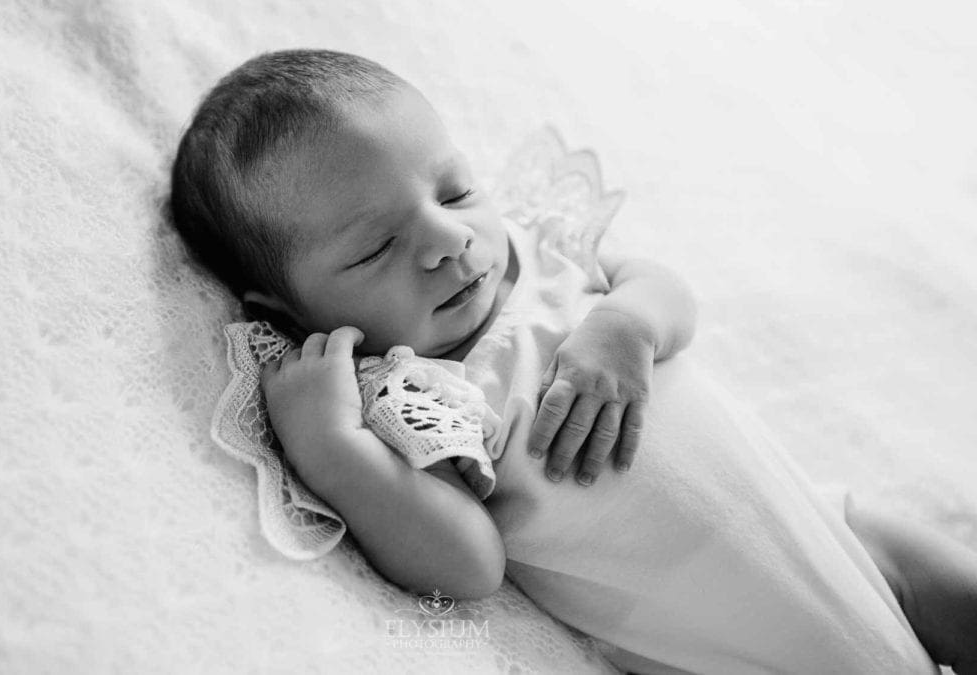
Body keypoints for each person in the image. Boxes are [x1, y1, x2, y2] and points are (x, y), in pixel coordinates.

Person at [170, 48, 977, 674]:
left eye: (453, 192)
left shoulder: (538, 255)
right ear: (285, 310)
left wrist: (626, 324)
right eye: (378, 246)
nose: (450, 240)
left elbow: (664, 291)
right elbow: (467, 565)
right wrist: (337, 453)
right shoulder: (413, 393)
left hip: (845, 537)